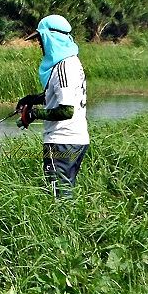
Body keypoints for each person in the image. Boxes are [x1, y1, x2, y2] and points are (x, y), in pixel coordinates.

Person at [14, 14, 90, 198]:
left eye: (40, 38)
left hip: (62, 141)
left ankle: (63, 227)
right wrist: (31, 99)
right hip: (74, 140)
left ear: (51, 38)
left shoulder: (64, 67)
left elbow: (66, 110)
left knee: (59, 196)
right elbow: (58, 96)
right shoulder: (70, 63)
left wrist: (33, 114)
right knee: (64, 192)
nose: (39, 44)